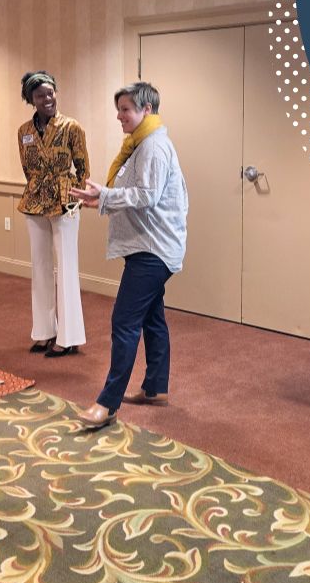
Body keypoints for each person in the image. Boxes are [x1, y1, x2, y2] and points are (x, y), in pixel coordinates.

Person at [69, 82, 188, 429]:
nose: (119, 115)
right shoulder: (142, 144)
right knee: (151, 317)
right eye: (118, 108)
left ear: (146, 110)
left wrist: (105, 195)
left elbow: (147, 195)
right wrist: (102, 198)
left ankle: (108, 403)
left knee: (124, 322)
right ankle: (155, 387)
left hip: (153, 249)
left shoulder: (152, 147)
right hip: (149, 245)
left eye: (126, 109)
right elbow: (137, 192)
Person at [16, 71, 89, 357]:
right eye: (40, 95)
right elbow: (26, 168)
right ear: (31, 100)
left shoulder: (72, 127)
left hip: (65, 202)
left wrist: (74, 198)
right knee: (40, 267)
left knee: (66, 268)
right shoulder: (23, 131)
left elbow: (83, 169)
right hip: (34, 201)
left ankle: (69, 336)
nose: (47, 99)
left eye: (50, 93)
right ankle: (45, 331)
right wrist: (40, 186)